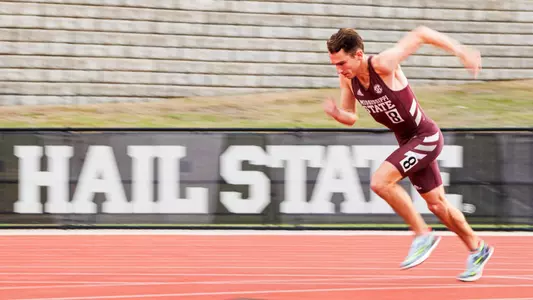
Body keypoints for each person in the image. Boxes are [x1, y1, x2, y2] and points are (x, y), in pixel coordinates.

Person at [323, 26, 494, 282]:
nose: (339, 69)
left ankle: (422, 234)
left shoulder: (382, 64)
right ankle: (477, 248)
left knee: (380, 182)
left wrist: (462, 51)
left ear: (358, 55)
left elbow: (421, 33)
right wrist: (338, 114)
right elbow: (352, 117)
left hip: (425, 136)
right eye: (334, 64)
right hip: (408, 141)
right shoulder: (348, 79)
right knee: (437, 204)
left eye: (342, 62)